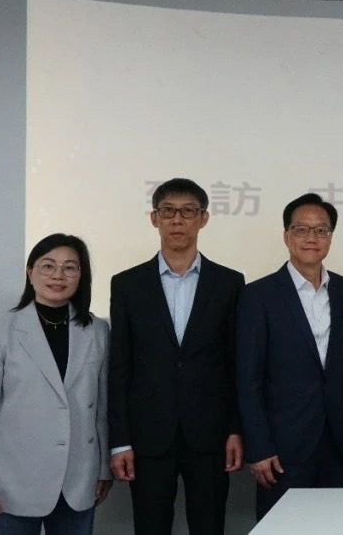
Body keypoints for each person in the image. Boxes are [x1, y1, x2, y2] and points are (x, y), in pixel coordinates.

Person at [108, 178, 245, 534]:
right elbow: (120, 367)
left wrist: (235, 429)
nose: (177, 220)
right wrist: (120, 440)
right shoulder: (127, 284)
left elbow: (235, 364)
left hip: (210, 434)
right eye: (168, 211)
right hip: (148, 434)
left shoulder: (229, 283)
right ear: (155, 218)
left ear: (203, 219)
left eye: (188, 211)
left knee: (209, 526)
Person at [0, 233, 111, 533]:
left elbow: (104, 408)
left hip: (79, 479)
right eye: (48, 265)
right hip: (13, 484)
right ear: (30, 272)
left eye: (70, 267)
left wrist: (103, 469)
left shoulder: (97, 331)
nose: (58, 275)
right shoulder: (1, 331)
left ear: (81, 275)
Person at [236, 193, 343, 521]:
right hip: (282, 447)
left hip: (337, 442)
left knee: (334, 526)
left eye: (321, 230)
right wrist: (259, 447)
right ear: (286, 236)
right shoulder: (257, 296)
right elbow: (248, 379)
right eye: (301, 229)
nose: (311, 238)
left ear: (330, 237)